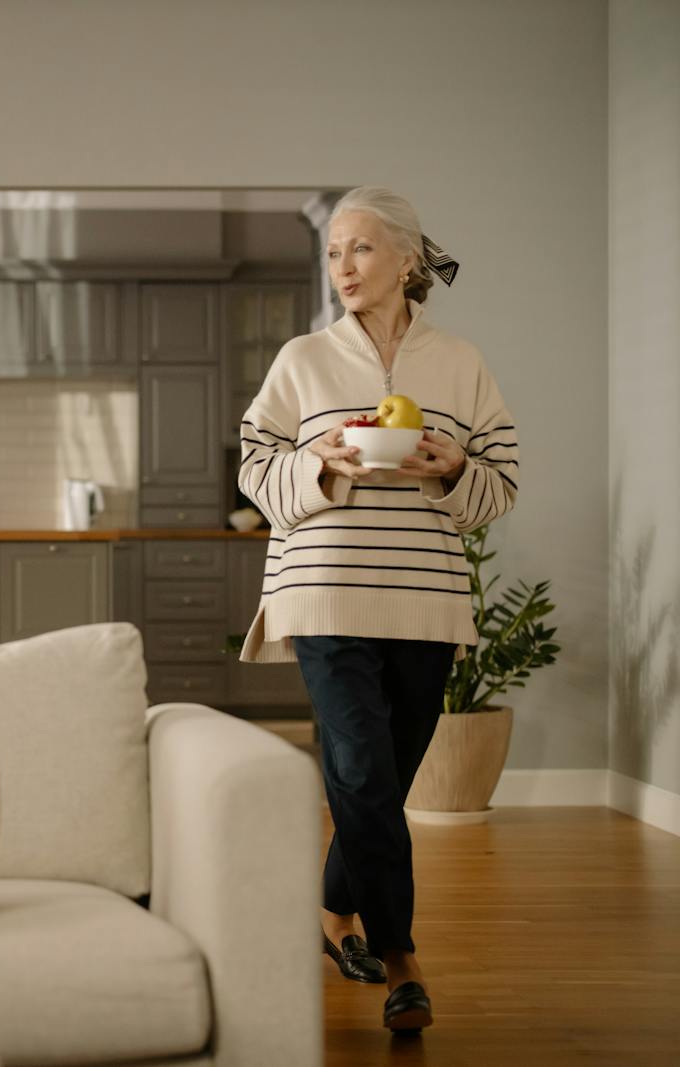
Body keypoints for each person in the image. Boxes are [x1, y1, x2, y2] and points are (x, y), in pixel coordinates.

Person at [237, 186, 519, 1034]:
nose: (344, 268)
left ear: (406, 258)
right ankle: (401, 958)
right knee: (359, 770)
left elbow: (499, 486)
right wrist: (320, 462)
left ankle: (331, 915)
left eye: (359, 249)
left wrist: (448, 465)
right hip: (322, 587)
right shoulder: (302, 359)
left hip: (426, 598)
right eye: (333, 253)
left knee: (380, 783)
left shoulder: (461, 362)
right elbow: (255, 468)